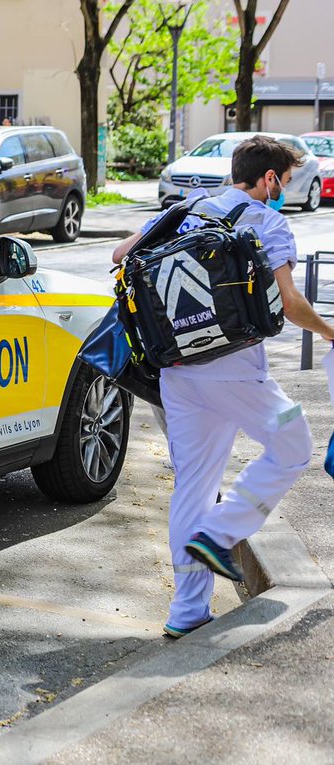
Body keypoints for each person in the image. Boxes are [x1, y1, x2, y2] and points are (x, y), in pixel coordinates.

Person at [111, 135, 334, 639]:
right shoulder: (268, 222)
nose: (284, 190)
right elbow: (291, 304)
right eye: (285, 180)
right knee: (293, 442)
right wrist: (329, 332)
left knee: (193, 486)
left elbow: (122, 253)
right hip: (235, 370)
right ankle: (220, 532)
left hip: (178, 372)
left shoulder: (188, 207)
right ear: (269, 178)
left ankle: (187, 611)